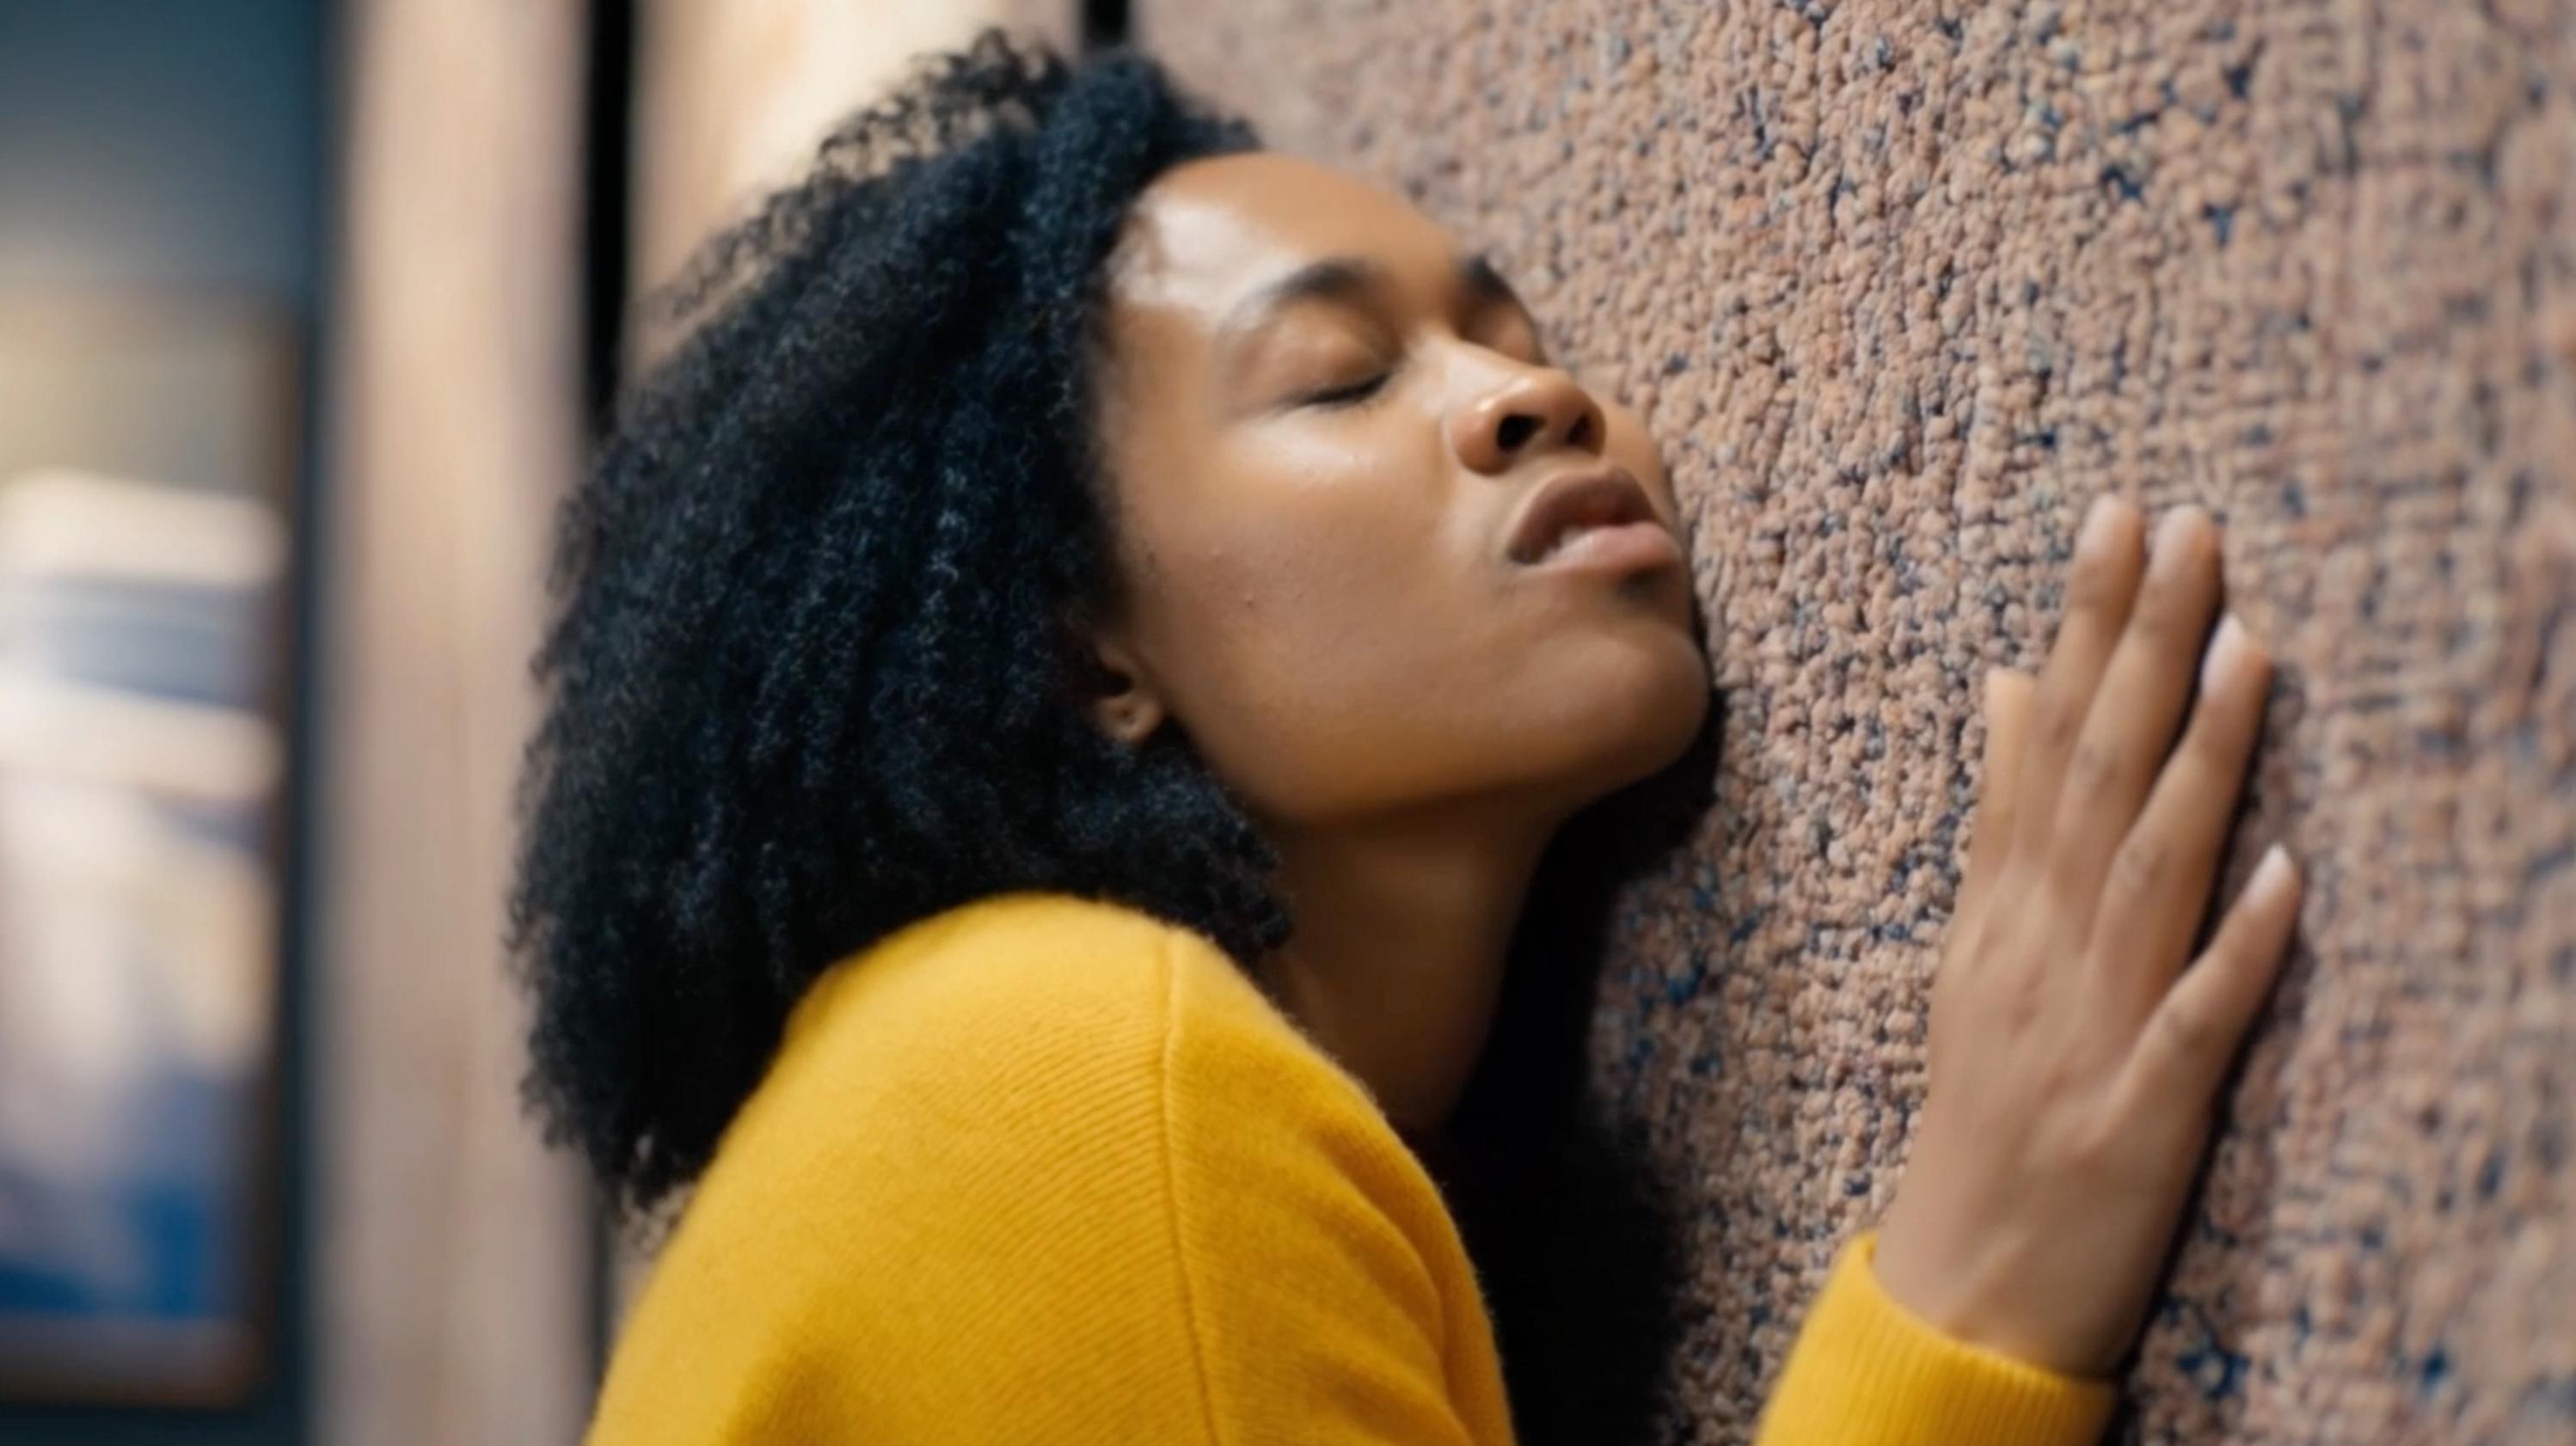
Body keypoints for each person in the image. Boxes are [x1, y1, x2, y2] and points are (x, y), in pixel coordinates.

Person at [512, 32, 2303, 1446]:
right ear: (1086, 653)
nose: (1529, 396)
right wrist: (1974, 1299)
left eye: (1503, 335)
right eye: (1343, 379)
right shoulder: (1073, 1077)